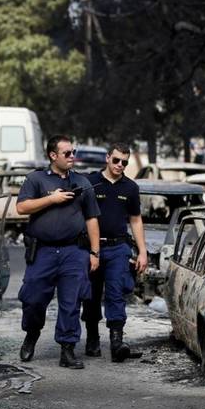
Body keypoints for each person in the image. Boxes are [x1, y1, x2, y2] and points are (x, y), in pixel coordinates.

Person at [16, 135, 101, 369]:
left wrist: (95, 253)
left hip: (74, 251)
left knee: (71, 302)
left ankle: (67, 349)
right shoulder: (36, 179)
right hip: (42, 251)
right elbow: (21, 207)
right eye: (67, 153)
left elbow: (92, 219)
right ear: (53, 156)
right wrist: (51, 199)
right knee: (32, 298)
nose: (72, 157)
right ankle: (31, 335)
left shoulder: (82, 183)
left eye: (73, 152)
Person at [81, 142, 147, 362]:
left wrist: (143, 252)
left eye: (125, 162)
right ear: (108, 158)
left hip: (118, 248)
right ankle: (92, 338)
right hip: (91, 248)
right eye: (117, 160)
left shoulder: (130, 188)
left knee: (116, 293)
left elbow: (136, 220)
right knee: (90, 295)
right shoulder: (90, 182)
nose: (120, 165)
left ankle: (117, 343)